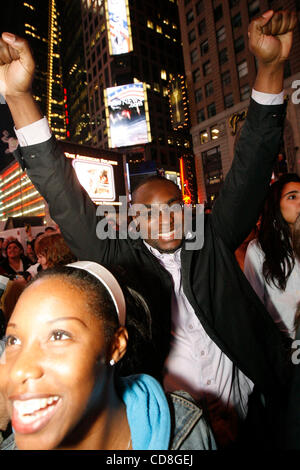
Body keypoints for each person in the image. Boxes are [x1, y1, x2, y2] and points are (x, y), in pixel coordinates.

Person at [0, 9, 297, 448]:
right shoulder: (118, 260)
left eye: (174, 205)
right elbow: (63, 193)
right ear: (131, 221)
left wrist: (270, 67)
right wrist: (19, 98)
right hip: (175, 436)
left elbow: (252, 164)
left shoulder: (211, 239)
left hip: (255, 419)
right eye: (150, 212)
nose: (166, 218)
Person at [0, 261, 216, 450]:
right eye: (13, 340)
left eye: (58, 335)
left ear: (115, 346)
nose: (19, 370)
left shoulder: (185, 428)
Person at [244, 173, 300, 339]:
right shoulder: (259, 250)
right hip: (286, 345)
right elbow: (254, 308)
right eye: (292, 197)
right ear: (276, 206)